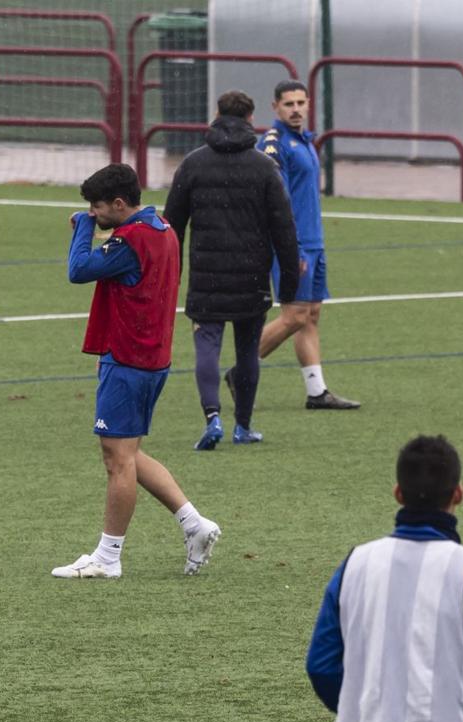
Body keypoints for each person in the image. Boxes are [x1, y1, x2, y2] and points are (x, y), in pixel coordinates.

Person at [50, 163, 220, 579]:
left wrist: (80, 229)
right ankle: (194, 524)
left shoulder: (129, 240)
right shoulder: (162, 228)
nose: (94, 213)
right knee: (128, 454)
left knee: (117, 461)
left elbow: (78, 271)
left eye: (98, 207)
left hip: (128, 360)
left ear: (120, 204)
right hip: (151, 357)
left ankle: (109, 557)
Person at [306, 435, 463, 722]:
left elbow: (322, 665)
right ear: (458, 495)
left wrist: (368, 710)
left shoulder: (357, 562)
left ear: (397, 493)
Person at [163, 89, 300, 450]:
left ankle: (212, 418)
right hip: (251, 274)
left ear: (216, 115)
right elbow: (284, 229)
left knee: (206, 345)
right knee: (247, 350)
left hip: (206, 274)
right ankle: (243, 426)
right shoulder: (264, 167)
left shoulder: (193, 163)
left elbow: (172, 225)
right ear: (251, 119)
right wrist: (289, 284)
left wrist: (169, 278)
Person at [255, 80, 360, 410]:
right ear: (275, 107)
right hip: (293, 245)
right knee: (295, 316)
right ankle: (242, 369)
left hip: (313, 242)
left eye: (301, 103)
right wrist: (292, 249)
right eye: (289, 104)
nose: (296, 109)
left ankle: (317, 392)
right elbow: (277, 203)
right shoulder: (274, 145)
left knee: (311, 315)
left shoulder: (304, 141)